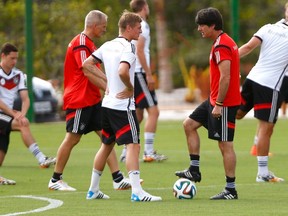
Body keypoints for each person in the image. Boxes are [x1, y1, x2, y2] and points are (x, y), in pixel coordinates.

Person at [82, 10, 162, 201]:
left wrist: (107, 83)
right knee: (133, 145)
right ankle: (137, 192)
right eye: (138, 28)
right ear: (128, 28)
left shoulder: (107, 45)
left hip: (107, 105)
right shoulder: (129, 47)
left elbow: (86, 64)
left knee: (106, 146)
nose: (140, 31)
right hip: (122, 106)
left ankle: (93, 190)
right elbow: (123, 71)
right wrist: (130, 88)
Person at [48, 10, 131, 191]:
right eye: (103, 27)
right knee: (72, 138)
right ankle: (55, 180)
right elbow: (87, 70)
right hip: (80, 99)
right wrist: (109, 86)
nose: (104, 30)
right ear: (94, 26)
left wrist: (107, 88)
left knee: (107, 137)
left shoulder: (90, 44)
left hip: (92, 99)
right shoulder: (82, 43)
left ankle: (117, 179)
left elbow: (93, 71)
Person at [175, 7, 241, 200]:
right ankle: (194, 170)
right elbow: (231, 73)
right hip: (213, 100)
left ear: (213, 25)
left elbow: (226, 77)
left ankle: (231, 190)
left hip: (223, 103)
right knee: (189, 124)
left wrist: (219, 103)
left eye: (201, 25)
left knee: (225, 145)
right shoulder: (223, 41)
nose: (199, 29)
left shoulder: (221, 45)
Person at [237, 9, 288, 182]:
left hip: (252, 79)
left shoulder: (267, 28)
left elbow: (247, 47)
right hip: (270, 86)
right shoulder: (268, 27)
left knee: (237, 114)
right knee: (267, 127)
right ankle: (263, 173)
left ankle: (204, 116)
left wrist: (225, 60)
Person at [119, 0, 167, 163]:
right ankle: (148, 151)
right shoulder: (142, 25)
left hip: (134, 72)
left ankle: (126, 151)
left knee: (138, 115)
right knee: (154, 112)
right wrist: (148, 74)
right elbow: (139, 50)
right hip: (139, 73)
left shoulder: (132, 25)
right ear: (144, 7)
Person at [0, 43, 56, 169]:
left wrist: (22, 113)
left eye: (16, 59)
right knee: (22, 124)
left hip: (8, 116)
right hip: (3, 114)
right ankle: (42, 159)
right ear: (3, 56)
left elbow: (25, 98)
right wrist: (15, 114)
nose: (14, 61)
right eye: (11, 58)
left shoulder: (18, 75)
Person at [249, 2, 288, 157]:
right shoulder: (276, 27)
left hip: (279, 78)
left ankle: (256, 145)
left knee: (268, 118)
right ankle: (256, 146)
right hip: (279, 79)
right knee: (267, 118)